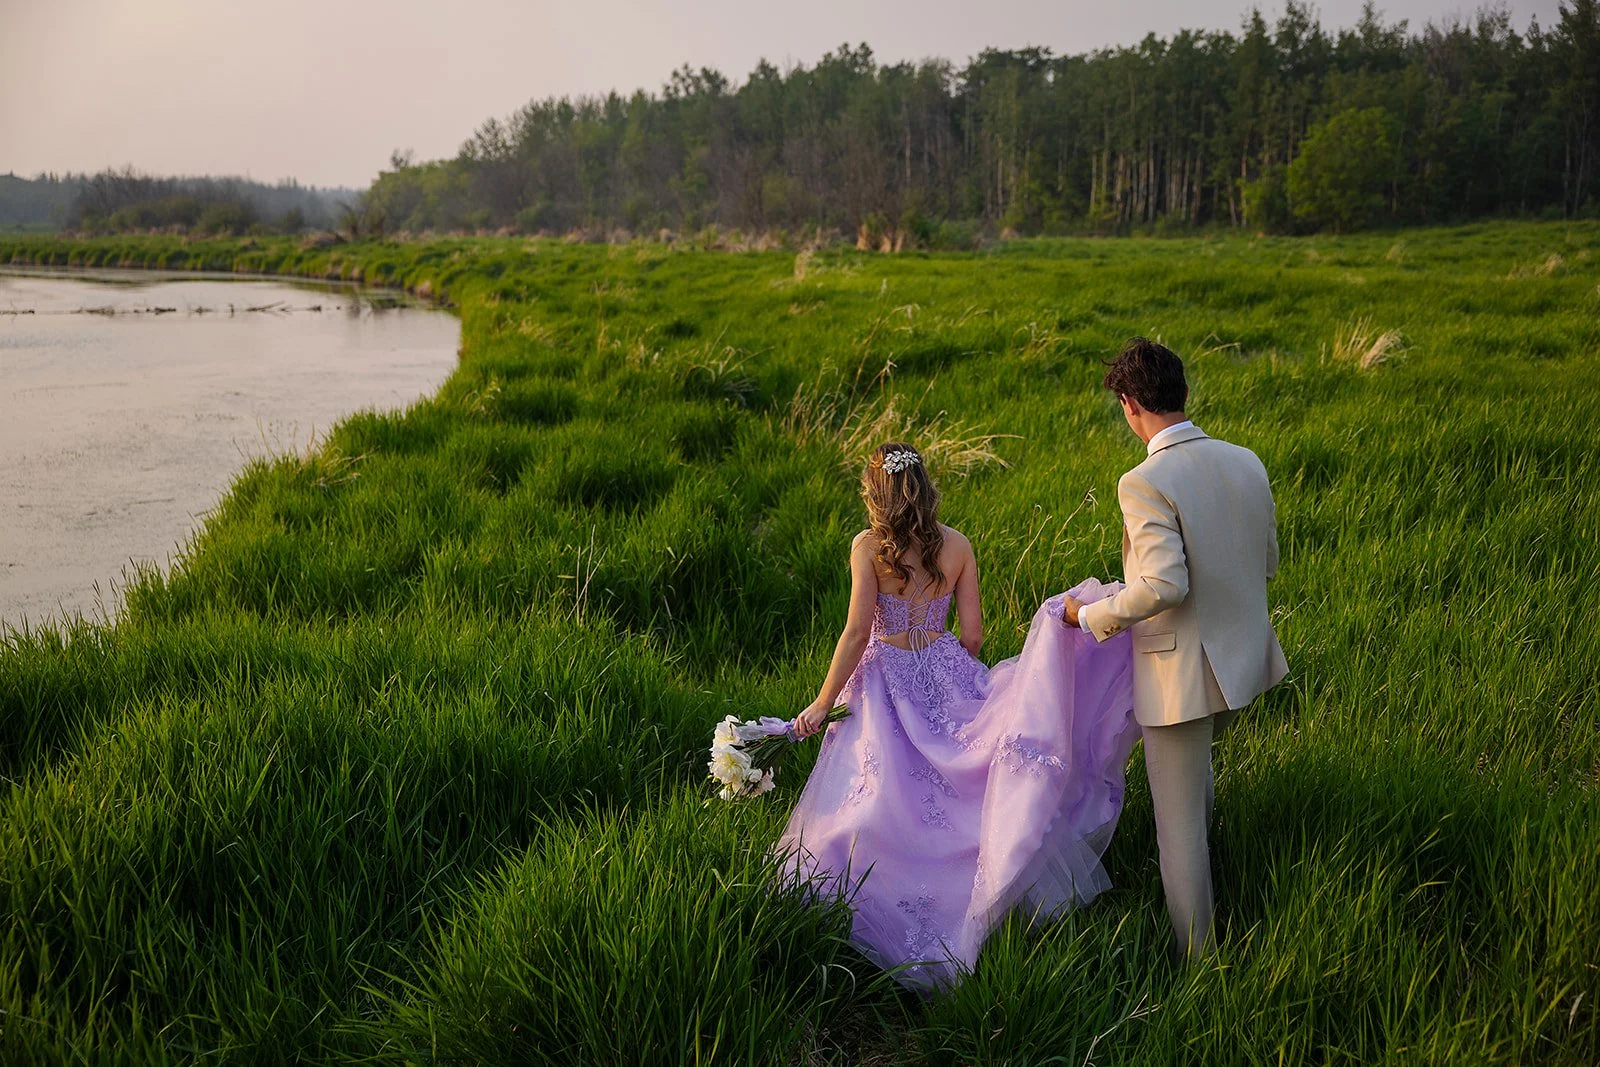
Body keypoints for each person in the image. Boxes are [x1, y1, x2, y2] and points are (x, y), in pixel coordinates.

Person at [779, 442, 1140, 990]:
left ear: (875, 494)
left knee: (877, 787)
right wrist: (950, 676)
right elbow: (972, 636)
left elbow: (856, 633)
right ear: (925, 486)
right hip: (945, 663)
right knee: (965, 770)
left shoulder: (868, 547)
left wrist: (823, 701)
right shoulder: (958, 545)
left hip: (883, 675)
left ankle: (875, 878)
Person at [1063, 337, 1288, 959]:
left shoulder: (1143, 481)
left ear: (1130, 405)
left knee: (1178, 831)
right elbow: (1268, 560)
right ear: (1182, 392)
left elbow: (1165, 584)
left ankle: (1200, 961)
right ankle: (1215, 893)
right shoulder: (1246, 460)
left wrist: (1090, 615)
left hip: (1181, 678)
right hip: (1244, 663)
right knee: (1196, 783)